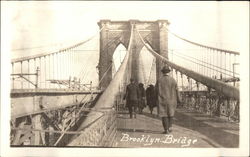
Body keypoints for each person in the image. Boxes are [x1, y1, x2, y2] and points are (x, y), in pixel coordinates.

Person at [155, 65, 181, 134]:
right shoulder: (173, 80)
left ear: (162, 72)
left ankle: (166, 129)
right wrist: (179, 100)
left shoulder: (159, 80)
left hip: (162, 100)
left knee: (164, 115)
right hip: (172, 101)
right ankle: (169, 127)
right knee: (171, 114)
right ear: (169, 72)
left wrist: (155, 99)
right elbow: (177, 91)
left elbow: (155, 91)